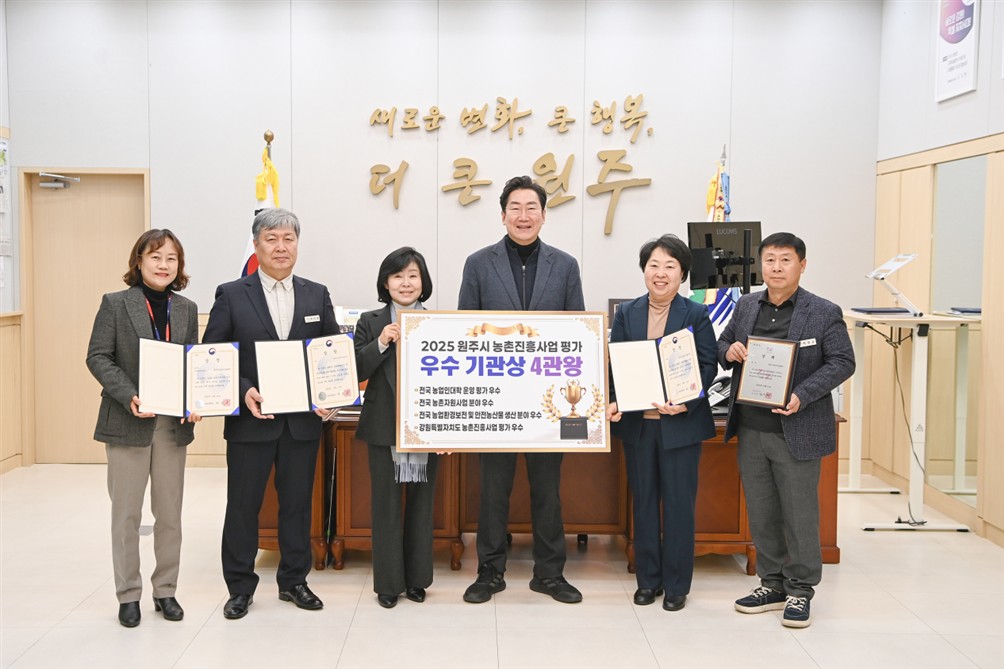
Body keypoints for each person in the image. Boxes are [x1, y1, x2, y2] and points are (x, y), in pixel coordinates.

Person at [202, 208, 339, 620]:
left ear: (297, 244)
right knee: (243, 507)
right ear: (256, 244)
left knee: (297, 506)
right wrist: (243, 390)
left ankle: (294, 581)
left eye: (288, 239)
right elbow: (215, 354)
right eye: (272, 238)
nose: (281, 247)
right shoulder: (231, 294)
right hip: (250, 422)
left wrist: (331, 392)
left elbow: (330, 352)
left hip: (301, 424)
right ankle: (240, 587)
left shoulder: (316, 294)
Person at [458, 175, 585, 604]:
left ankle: (550, 574)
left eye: (532, 208)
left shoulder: (565, 266)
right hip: (496, 402)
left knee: (548, 491)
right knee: (493, 491)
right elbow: (465, 331)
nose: (524, 215)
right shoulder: (478, 264)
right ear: (503, 215)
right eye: (515, 207)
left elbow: (577, 331)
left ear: (544, 215)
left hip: (549, 403)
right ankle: (489, 572)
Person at [718, 232, 854, 628]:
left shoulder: (823, 311)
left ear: (802, 265)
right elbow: (723, 343)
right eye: (770, 260)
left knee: (799, 513)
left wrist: (802, 395)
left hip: (797, 427)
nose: (776, 268)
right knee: (761, 512)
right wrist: (730, 351)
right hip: (752, 427)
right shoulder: (747, 305)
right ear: (761, 265)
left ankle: (800, 589)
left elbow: (842, 361)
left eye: (785, 260)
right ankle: (772, 583)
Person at [86, 229, 201, 628]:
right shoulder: (116, 304)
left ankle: (165, 590)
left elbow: (193, 364)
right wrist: (129, 394)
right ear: (139, 261)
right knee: (126, 516)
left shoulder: (187, 309)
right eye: (155, 257)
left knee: (170, 514)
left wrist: (196, 401)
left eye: (171, 258)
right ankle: (128, 594)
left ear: (179, 266)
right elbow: (98, 356)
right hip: (127, 421)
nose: (163, 265)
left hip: (171, 427)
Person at [606, 234, 717, 612]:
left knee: (679, 507)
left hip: (680, 426)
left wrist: (684, 402)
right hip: (639, 428)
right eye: (653, 265)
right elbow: (617, 364)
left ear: (682, 274)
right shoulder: (627, 312)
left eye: (670, 266)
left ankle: (676, 585)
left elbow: (707, 365)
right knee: (644, 504)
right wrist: (616, 399)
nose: (661, 273)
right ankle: (648, 581)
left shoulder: (696, 314)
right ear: (644, 271)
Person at [355, 247, 438, 609]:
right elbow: (356, 369)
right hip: (383, 426)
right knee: (386, 506)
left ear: (423, 282)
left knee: (422, 506)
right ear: (385, 283)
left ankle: (418, 580)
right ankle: (388, 584)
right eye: (398, 276)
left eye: (413, 276)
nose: (406, 283)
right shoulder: (370, 321)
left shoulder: (438, 323)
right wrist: (381, 342)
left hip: (427, 426)